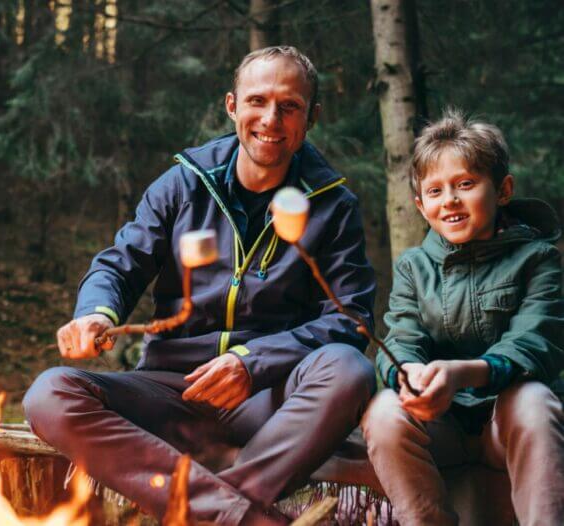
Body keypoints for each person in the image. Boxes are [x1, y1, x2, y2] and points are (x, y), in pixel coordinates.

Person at [22, 46, 377, 525]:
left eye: (289, 106)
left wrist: (253, 364)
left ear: (311, 116)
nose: (271, 119)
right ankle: (246, 519)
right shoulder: (182, 185)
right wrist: (97, 312)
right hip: (171, 390)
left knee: (348, 368)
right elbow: (121, 263)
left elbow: (351, 320)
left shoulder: (334, 206)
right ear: (232, 106)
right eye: (257, 101)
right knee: (49, 394)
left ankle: (212, 510)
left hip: (267, 404)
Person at [362, 109, 564, 525]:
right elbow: (400, 338)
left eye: (466, 185)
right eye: (434, 191)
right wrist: (408, 374)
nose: (450, 200)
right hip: (443, 424)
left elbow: (535, 345)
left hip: (503, 424)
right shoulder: (413, 267)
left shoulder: (538, 259)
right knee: (382, 410)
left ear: (503, 190)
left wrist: (463, 373)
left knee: (533, 399)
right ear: (420, 206)